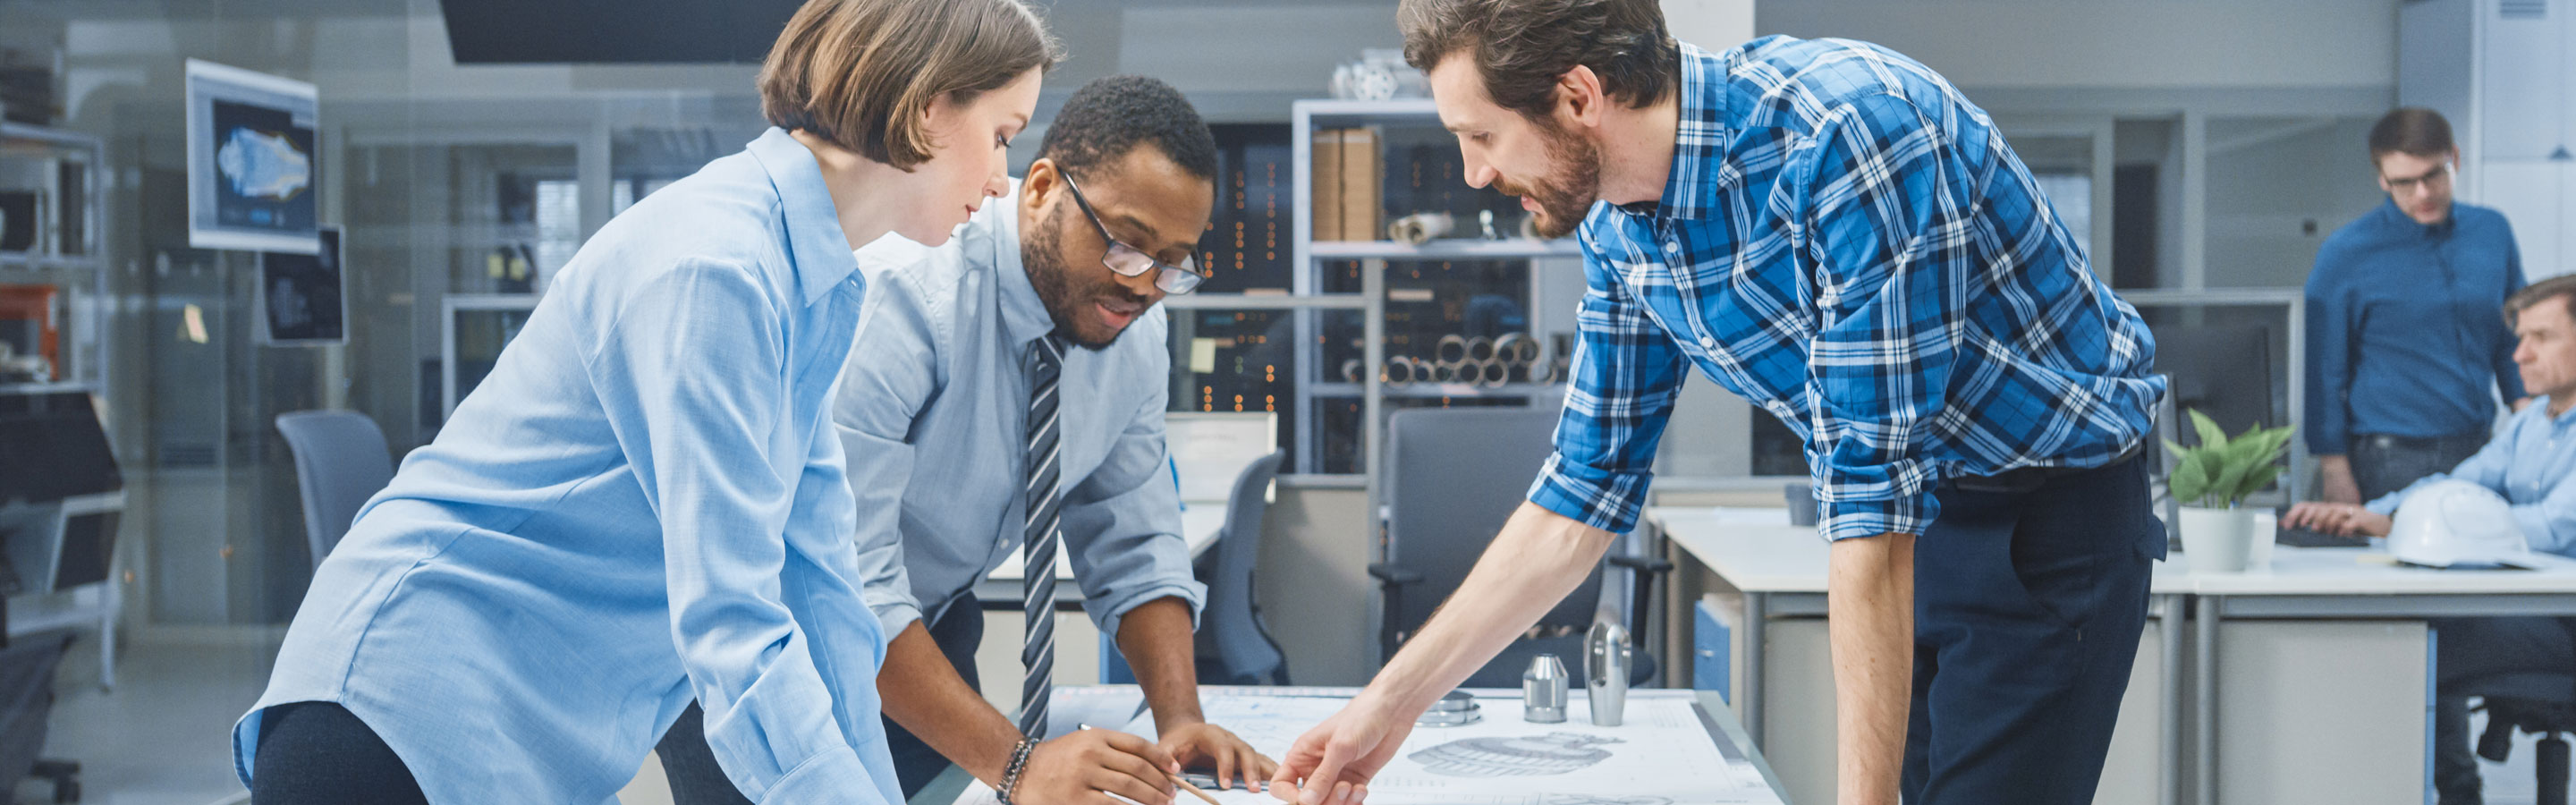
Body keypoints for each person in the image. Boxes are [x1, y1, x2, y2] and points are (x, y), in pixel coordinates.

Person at [1268, 4, 2166, 805]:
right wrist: (1382, 714)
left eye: (1483, 137)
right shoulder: (1621, 222)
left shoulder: (1847, 134)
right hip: (1920, 516)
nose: (1471, 174)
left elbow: (1870, 501)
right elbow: (1579, 498)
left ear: (1578, 97)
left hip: (2050, 522)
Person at [230, 2, 1060, 802]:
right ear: (923, 111)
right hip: (397, 722)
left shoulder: (813, 287)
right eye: (1001, 136)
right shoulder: (717, 269)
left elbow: (823, 597)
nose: (1000, 180)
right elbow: (735, 632)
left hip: (523, 736)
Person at [654, 74, 1278, 805]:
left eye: (1173, 263)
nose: (1144, 285)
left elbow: (1133, 538)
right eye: (1126, 246)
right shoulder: (901, 294)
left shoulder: (1132, 330)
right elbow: (848, 585)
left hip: (924, 639)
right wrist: (1021, 765)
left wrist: (1180, 720)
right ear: (1043, 187)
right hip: (775, 656)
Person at [2286, 274, 2576, 805]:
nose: (2520, 356)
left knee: (2408, 637)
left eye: (2541, 337)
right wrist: (2373, 516)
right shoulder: (2534, 421)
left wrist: (2426, 526)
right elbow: (2460, 482)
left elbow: (2554, 526)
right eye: (2520, 338)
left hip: (2563, 623)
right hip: (2520, 606)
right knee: (2390, 624)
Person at [2306, 107, 2528, 506]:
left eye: (2433, 175)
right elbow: (2324, 373)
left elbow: (2514, 343)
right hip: (2387, 458)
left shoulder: (2492, 231)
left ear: (2455, 159)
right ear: (2382, 179)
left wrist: (2535, 425)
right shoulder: (2346, 253)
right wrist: (2334, 469)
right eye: (2404, 183)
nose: (2422, 193)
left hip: (2480, 450)